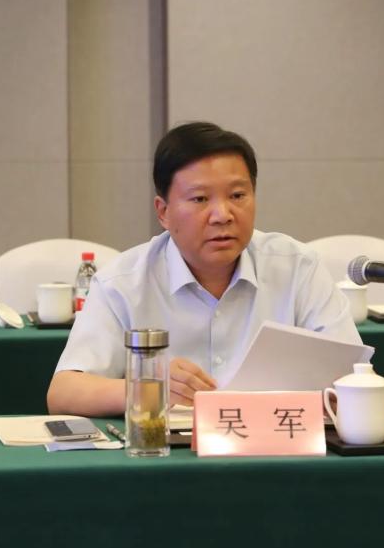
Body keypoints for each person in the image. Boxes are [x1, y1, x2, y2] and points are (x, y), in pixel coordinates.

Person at [47, 121, 362, 416]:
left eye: (237, 195)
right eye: (199, 199)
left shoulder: (298, 268)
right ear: (163, 212)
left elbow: (353, 376)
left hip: (275, 444)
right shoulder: (123, 283)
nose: (222, 215)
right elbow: (63, 392)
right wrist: (149, 388)